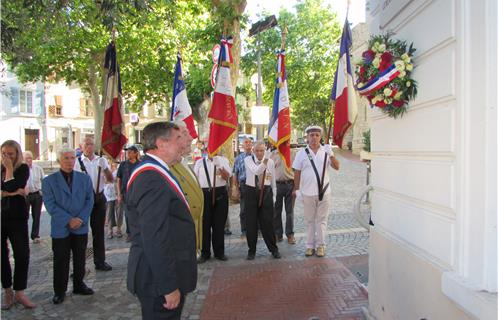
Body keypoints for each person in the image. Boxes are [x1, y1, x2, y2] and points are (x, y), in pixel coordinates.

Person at [126, 122, 197, 319]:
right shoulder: (151, 177)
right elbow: (154, 236)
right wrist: (168, 286)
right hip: (157, 281)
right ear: (161, 144)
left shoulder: (158, 171)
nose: (183, 144)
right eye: (178, 139)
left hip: (161, 273)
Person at [42, 146, 95, 304]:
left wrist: (80, 218)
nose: (70, 161)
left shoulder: (84, 179)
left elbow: (89, 200)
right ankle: (59, 290)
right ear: (59, 160)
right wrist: (68, 220)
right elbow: (50, 205)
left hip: (80, 225)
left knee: (80, 258)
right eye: (66, 158)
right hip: (61, 227)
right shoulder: (48, 181)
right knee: (61, 259)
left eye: (72, 158)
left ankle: (79, 284)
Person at [292, 126, 340, 257]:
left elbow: (337, 167)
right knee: (309, 220)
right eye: (311, 135)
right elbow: (297, 172)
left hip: (324, 192)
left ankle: (321, 246)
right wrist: (297, 190)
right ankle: (309, 245)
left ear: (321, 137)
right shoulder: (301, 153)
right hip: (307, 192)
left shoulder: (326, 151)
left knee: (322, 220)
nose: (314, 137)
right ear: (307, 137)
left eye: (317, 135)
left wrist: (331, 155)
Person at [1, 140, 36, 309]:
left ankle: (19, 292)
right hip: (1, 216)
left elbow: (13, 184)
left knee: (22, 253)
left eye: (10, 154)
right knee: (2, 255)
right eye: (4, 154)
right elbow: (13, 188)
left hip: (18, 217)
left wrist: (8, 171)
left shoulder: (22, 168)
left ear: (17, 154)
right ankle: (7, 291)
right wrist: (13, 192)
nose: (6, 157)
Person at [74, 137, 113, 271]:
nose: (89, 147)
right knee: (81, 233)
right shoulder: (76, 162)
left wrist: (106, 169)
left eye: (91, 144)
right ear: (81, 146)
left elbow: (110, 180)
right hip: (83, 201)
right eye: (86, 144)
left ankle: (100, 261)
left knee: (98, 232)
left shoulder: (100, 160)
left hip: (98, 198)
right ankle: (80, 266)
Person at [170, 123, 204, 256]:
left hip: (190, 238)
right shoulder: (168, 168)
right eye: (185, 134)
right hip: (179, 243)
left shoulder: (184, 163)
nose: (191, 138)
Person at [244, 141, 281, 260]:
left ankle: (273, 249)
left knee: (268, 223)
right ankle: (252, 251)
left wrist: (274, 196)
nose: (259, 153)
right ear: (253, 151)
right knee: (251, 224)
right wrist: (265, 161)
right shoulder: (248, 160)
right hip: (251, 192)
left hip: (266, 192)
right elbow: (257, 171)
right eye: (257, 150)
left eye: (262, 151)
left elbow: (272, 178)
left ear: (265, 150)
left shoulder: (269, 162)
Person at [193, 149, 232, 263]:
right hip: (204, 194)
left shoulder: (223, 160)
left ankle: (219, 252)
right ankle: (205, 253)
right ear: (207, 150)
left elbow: (226, 177)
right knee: (205, 224)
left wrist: (219, 165)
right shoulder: (200, 162)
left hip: (220, 194)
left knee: (219, 224)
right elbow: (195, 180)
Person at [271, 146, 296, 244]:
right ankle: (278, 234)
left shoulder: (293, 153)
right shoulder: (272, 155)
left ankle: (290, 234)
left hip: (290, 184)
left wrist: (296, 187)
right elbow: (269, 171)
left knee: (289, 212)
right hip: (277, 185)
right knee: (276, 211)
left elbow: (297, 171)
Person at [116, 145, 141, 242]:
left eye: (130, 152)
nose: (128, 154)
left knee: (138, 212)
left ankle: (138, 232)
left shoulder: (140, 164)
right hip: (126, 193)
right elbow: (119, 179)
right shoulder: (123, 165)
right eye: (127, 152)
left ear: (135, 153)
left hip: (138, 193)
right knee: (128, 214)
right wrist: (119, 193)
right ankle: (129, 233)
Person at [232, 138, 253, 238]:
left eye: (250, 142)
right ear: (242, 146)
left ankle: (256, 229)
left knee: (255, 207)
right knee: (243, 209)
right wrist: (236, 188)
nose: (248, 144)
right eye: (246, 142)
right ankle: (244, 230)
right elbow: (235, 174)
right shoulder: (238, 158)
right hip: (243, 185)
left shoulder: (256, 156)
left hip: (254, 185)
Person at [23, 151, 45, 243]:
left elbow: (43, 180)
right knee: (24, 216)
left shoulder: (38, 168)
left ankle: (35, 235)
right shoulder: (20, 169)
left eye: (30, 158)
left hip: (36, 194)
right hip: (25, 196)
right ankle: (23, 236)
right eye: (26, 158)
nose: (29, 160)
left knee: (37, 216)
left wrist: (42, 191)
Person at [104, 161, 122, 239]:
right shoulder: (106, 168)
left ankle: (118, 229)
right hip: (108, 194)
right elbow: (104, 180)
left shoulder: (119, 168)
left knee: (119, 212)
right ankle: (109, 230)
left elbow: (120, 180)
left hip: (118, 193)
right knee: (109, 212)